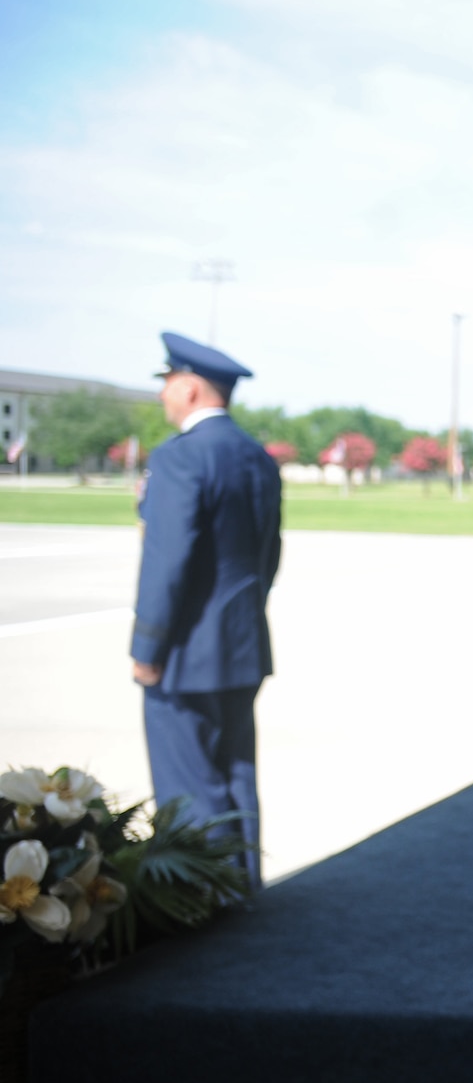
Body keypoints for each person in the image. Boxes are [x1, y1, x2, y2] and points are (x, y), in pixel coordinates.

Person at [132, 332, 283, 889]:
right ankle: (242, 891)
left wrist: (147, 647)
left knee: (189, 785)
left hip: (185, 651)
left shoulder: (180, 457)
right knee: (235, 774)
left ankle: (205, 903)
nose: (163, 397)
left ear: (191, 388)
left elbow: (167, 561)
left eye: (168, 384)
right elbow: (269, 555)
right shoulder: (255, 457)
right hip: (241, 645)